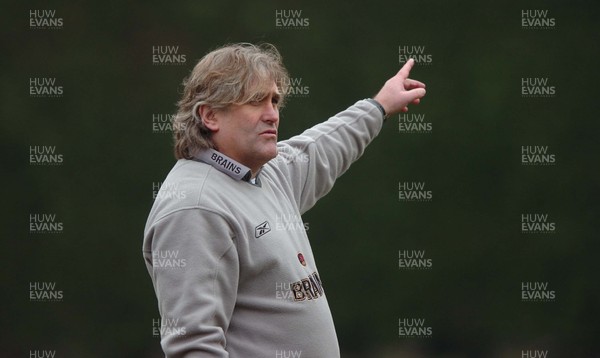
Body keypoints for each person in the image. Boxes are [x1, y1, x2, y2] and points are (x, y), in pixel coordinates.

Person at [143, 42, 426, 357]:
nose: (272, 115)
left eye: (274, 100)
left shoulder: (261, 174)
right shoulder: (195, 206)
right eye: (255, 101)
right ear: (210, 115)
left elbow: (321, 147)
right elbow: (194, 347)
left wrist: (379, 106)